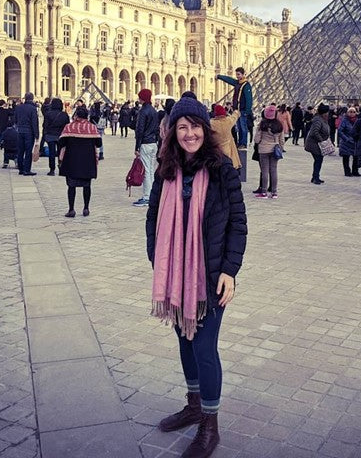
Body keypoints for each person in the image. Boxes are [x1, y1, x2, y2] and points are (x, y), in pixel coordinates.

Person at [145, 93, 247, 458]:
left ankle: (210, 424)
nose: (189, 134)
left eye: (195, 127)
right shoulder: (166, 169)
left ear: (206, 129)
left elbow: (238, 223)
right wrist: (158, 260)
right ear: (173, 132)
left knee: (204, 347)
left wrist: (229, 271)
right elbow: (153, 217)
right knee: (185, 343)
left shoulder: (222, 170)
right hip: (175, 275)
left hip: (210, 275)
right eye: (182, 127)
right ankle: (193, 403)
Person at [57, 106, 102, 217]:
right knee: (87, 186)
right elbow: (99, 144)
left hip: (71, 161)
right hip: (87, 162)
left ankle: (71, 209)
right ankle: (86, 208)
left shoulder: (69, 127)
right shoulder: (92, 128)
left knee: (71, 186)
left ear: (76, 115)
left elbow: (61, 143)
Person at [133, 88, 159, 207]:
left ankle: (147, 197)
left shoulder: (143, 111)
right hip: (153, 143)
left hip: (145, 143)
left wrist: (137, 147)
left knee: (146, 170)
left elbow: (139, 130)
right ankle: (153, 194)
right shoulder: (154, 110)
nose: (138, 99)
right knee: (151, 171)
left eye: (139, 97)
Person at [216, 67, 252, 149]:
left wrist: (247, 111)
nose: (237, 76)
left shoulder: (246, 85)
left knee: (243, 127)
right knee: (239, 127)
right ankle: (240, 143)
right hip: (237, 110)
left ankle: (243, 143)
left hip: (242, 110)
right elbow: (229, 79)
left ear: (243, 74)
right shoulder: (237, 83)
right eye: (236, 74)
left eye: (239, 74)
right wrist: (219, 76)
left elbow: (249, 99)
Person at [254, 104, 285, 199]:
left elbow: (256, 140)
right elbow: (282, 140)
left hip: (263, 150)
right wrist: (280, 148)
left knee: (264, 171)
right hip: (274, 150)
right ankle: (274, 192)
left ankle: (264, 192)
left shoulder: (262, 125)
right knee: (274, 171)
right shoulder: (279, 125)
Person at [14, 92, 39, 176]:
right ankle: (27, 170)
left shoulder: (18, 107)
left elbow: (15, 120)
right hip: (29, 132)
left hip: (20, 131)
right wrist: (37, 135)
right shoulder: (33, 108)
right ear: (32, 98)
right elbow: (34, 122)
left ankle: (20, 169)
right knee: (28, 151)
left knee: (20, 150)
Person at [43, 98, 70, 176]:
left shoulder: (48, 114)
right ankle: (61, 168)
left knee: (51, 153)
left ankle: (52, 170)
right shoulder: (64, 114)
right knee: (60, 152)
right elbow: (67, 126)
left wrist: (45, 134)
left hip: (50, 135)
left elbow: (45, 125)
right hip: (61, 135)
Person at [304, 103, 330, 185]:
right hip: (314, 144)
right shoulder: (318, 120)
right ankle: (315, 178)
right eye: (327, 112)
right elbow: (315, 132)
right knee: (318, 160)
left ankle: (315, 177)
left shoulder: (321, 119)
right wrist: (321, 140)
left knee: (318, 160)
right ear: (324, 113)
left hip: (317, 143)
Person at [210, 105, 241, 169]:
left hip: (216, 151)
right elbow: (234, 117)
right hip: (228, 151)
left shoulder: (211, 123)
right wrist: (236, 111)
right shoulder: (228, 121)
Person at [337, 106, 359, 176]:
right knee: (346, 157)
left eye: (354, 112)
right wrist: (346, 139)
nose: (352, 113)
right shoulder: (344, 120)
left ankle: (355, 171)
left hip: (355, 142)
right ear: (347, 113)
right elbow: (340, 131)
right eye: (350, 112)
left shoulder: (358, 120)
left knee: (356, 157)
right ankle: (347, 172)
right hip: (346, 142)